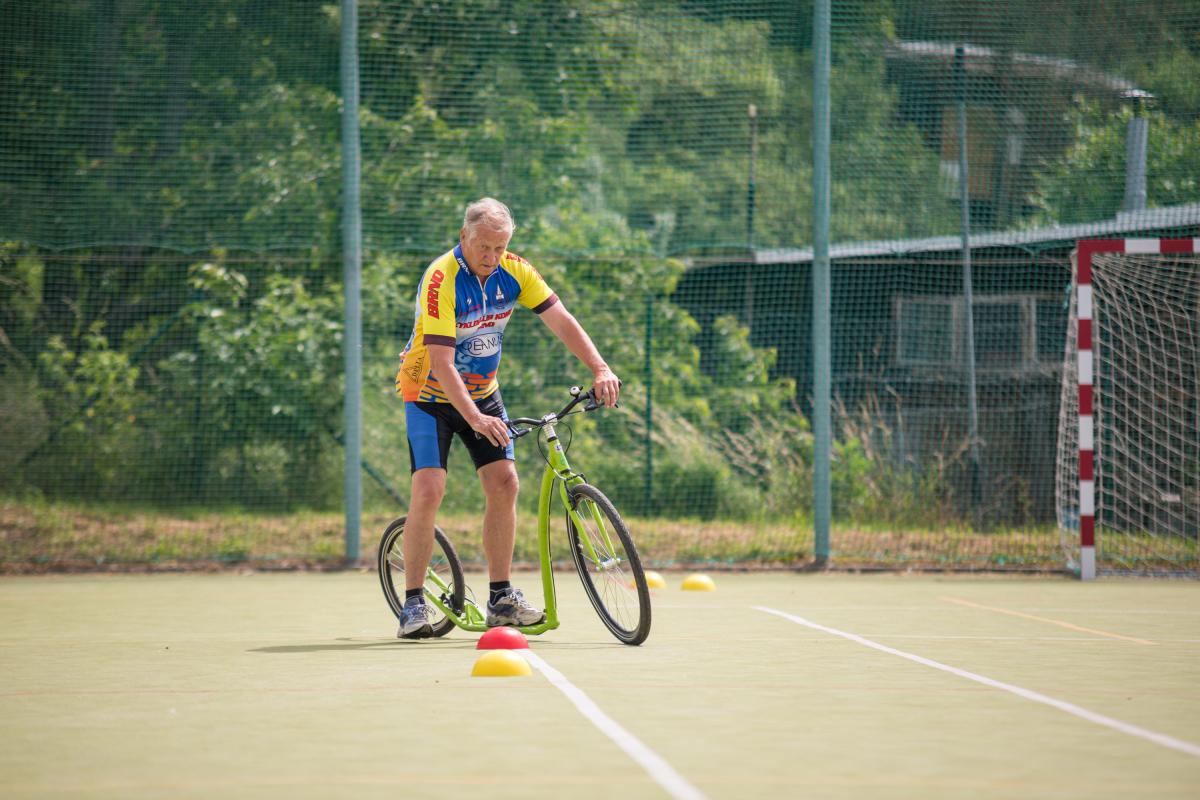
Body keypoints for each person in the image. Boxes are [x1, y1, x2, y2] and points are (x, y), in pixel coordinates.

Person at [393, 197, 621, 639]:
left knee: (505, 482)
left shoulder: (515, 271)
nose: (492, 256)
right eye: (484, 246)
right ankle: (414, 602)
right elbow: (441, 362)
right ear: (464, 236)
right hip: (428, 394)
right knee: (429, 488)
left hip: (483, 392)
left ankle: (501, 599)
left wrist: (600, 368)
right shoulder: (441, 278)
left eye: (500, 247)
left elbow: (562, 321)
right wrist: (475, 419)